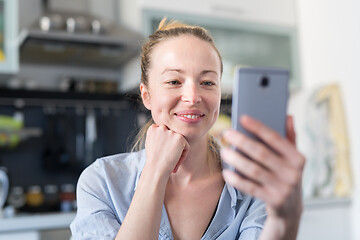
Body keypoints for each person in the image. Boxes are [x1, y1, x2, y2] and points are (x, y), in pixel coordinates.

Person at [70, 18, 305, 240]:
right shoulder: (102, 181)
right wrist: (155, 172)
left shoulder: (252, 182)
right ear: (147, 96)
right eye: (174, 82)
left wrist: (286, 219)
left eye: (207, 83)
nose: (193, 97)